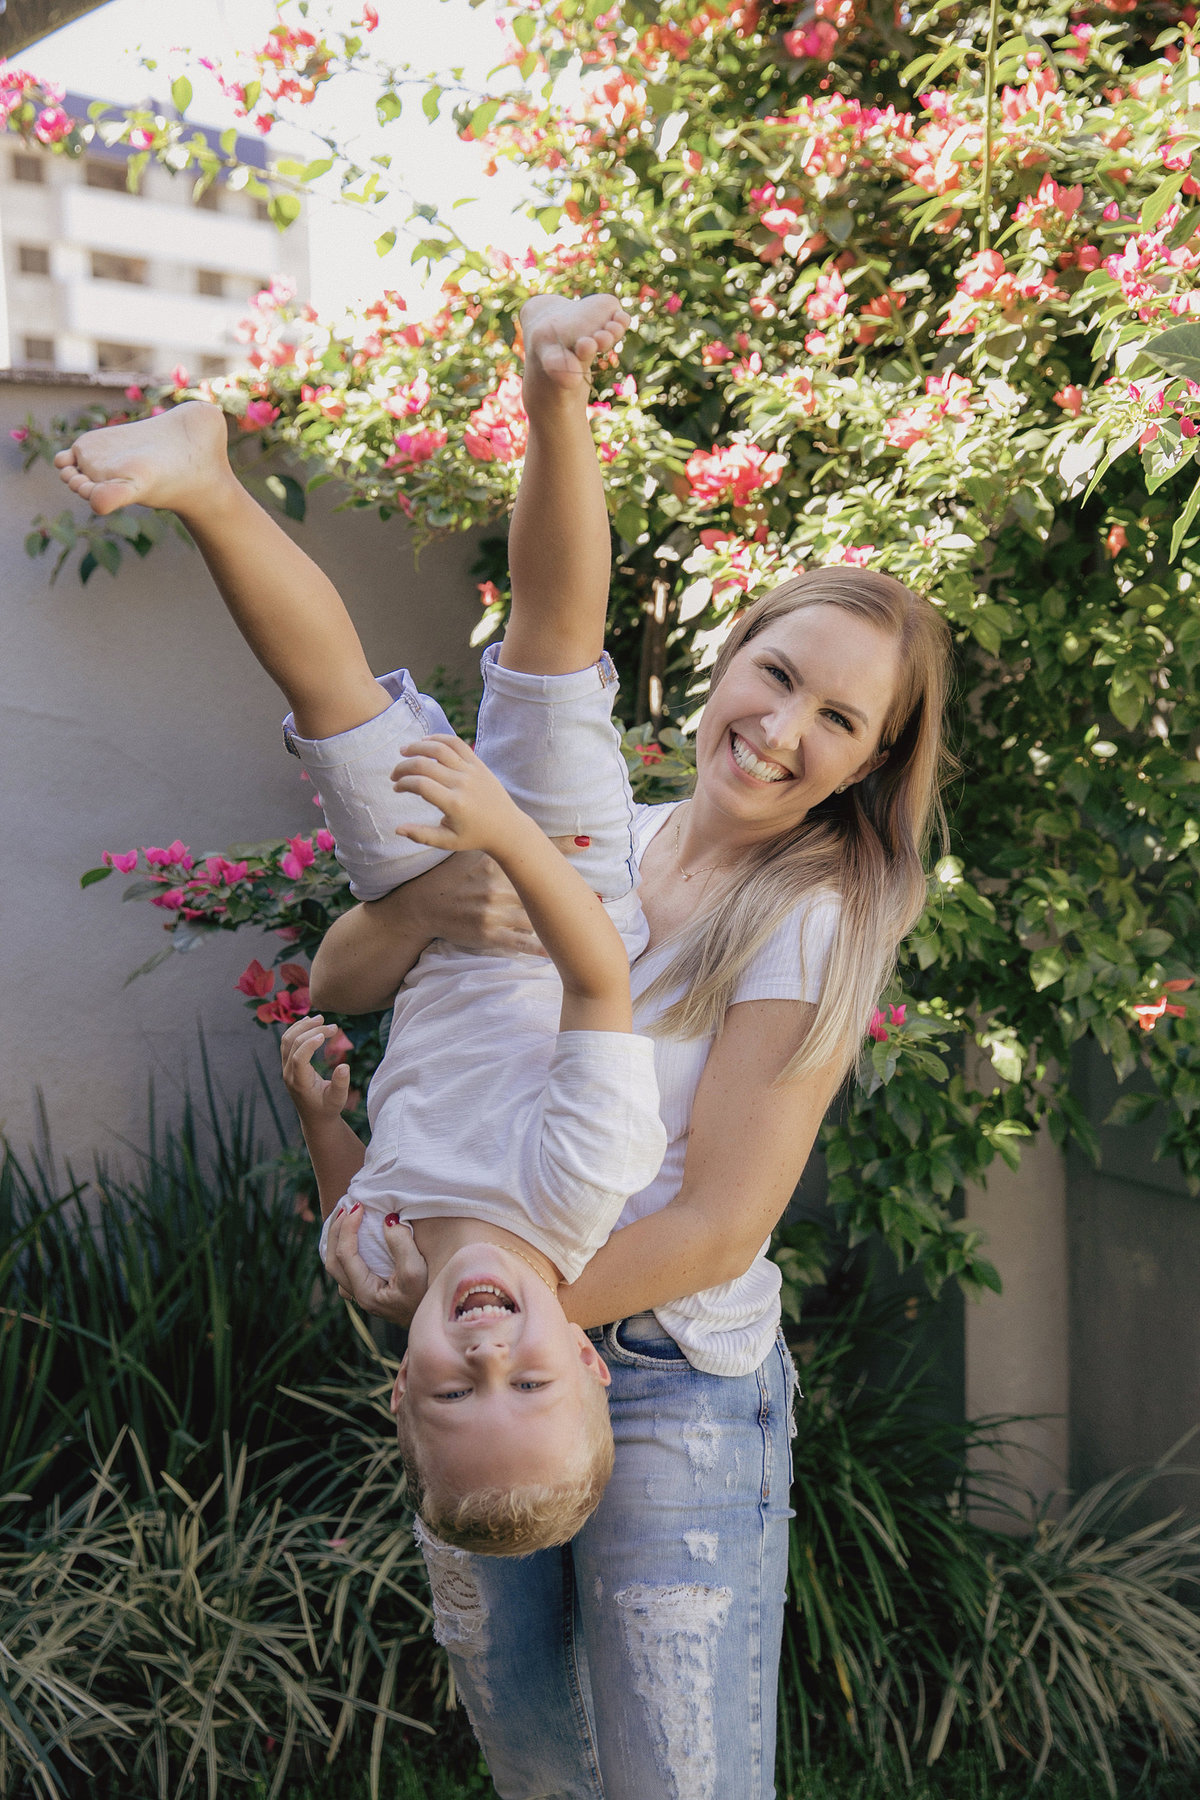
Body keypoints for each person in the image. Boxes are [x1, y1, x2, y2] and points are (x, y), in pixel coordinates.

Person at [316, 304, 953, 1797]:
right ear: (730, 662)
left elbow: (723, 1220)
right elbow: (354, 972)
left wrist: (478, 1315)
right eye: (777, 675)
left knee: (678, 1774)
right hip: (499, 1388)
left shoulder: (810, 918)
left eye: (838, 718)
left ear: (868, 766)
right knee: (529, 1743)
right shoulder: (606, 833)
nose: (786, 727)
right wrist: (474, 1341)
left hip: (663, 1375)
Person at [53, 294, 670, 1557]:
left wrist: (320, 1118)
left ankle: (206, 480)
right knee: (553, 652)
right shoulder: (575, 1194)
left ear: (404, 1387)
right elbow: (602, 984)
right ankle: (553, 380)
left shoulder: (381, 1270)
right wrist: (504, 831)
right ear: (592, 1364)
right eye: (531, 1380)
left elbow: (349, 1208)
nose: (488, 1350)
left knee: (334, 703)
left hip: (434, 927)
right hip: (565, 885)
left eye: (455, 1388)